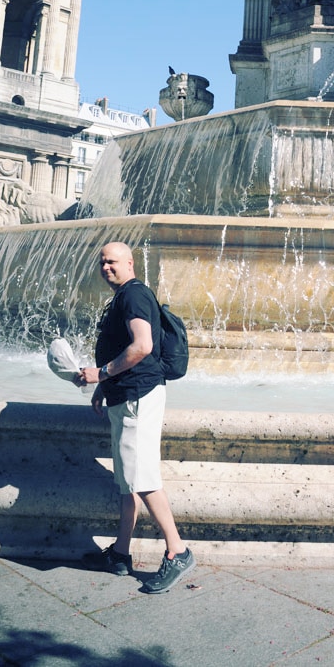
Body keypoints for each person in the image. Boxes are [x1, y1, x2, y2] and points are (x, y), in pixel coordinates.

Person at [77, 241, 195, 594]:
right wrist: (105, 384)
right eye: (102, 262)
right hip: (125, 394)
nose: (106, 267)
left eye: (112, 261)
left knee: (142, 477)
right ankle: (120, 553)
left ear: (129, 262)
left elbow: (142, 345)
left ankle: (178, 550)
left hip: (138, 397)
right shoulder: (124, 297)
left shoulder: (134, 295)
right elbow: (125, 347)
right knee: (128, 479)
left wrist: (101, 373)